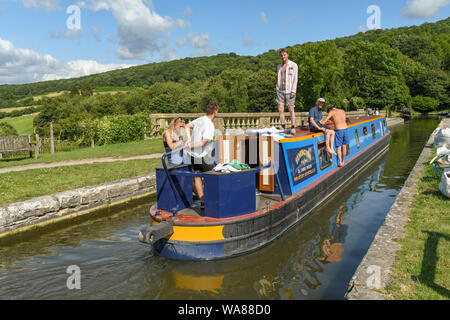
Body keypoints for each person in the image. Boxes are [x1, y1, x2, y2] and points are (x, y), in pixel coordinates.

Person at [185, 101, 219, 203]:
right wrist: (191, 144)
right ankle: (213, 201)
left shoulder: (200, 119)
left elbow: (187, 126)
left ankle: (203, 201)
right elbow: (203, 142)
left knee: (197, 175)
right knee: (215, 176)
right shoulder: (209, 124)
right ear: (215, 112)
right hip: (200, 155)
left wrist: (188, 139)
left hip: (192, 154)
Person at [276, 48, 298, 135]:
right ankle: (283, 125)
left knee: (291, 109)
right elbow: (279, 77)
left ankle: (293, 127)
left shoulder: (293, 65)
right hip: (280, 90)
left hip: (290, 90)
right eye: (281, 55)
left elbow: (295, 79)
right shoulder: (279, 66)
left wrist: (293, 90)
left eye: (284, 55)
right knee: (280, 109)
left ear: (287, 55)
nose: (283, 56)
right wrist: (277, 87)